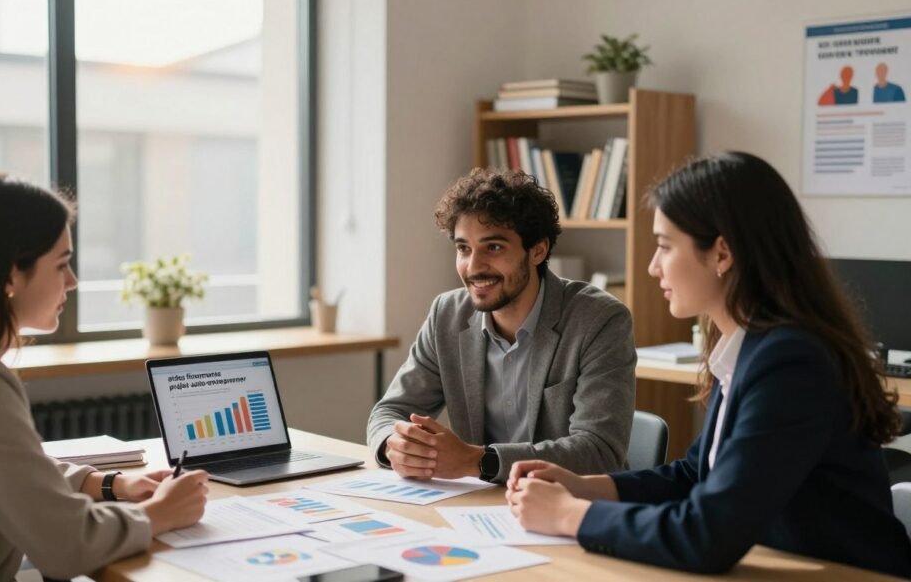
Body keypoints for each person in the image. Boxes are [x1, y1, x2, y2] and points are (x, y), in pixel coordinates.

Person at [505, 152, 911, 577]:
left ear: (722, 253)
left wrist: (570, 516)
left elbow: (707, 535)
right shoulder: (745, 346)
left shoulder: (791, 363)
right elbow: (696, 476)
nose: (652, 266)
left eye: (664, 246)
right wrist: (586, 488)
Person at [0, 175, 209, 581]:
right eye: (61, 264)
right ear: (9, 276)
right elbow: (69, 546)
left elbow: (12, 470)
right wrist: (162, 513)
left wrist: (110, 484)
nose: (72, 281)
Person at [366, 168, 635, 484]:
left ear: (538, 250)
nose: (474, 266)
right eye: (464, 248)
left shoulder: (599, 320)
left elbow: (597, 451)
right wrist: (394, 447)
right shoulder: (446, 315)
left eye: (493, 247)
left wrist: (477, 461)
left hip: (567, 508)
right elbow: (388, 413)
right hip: (479, 508)